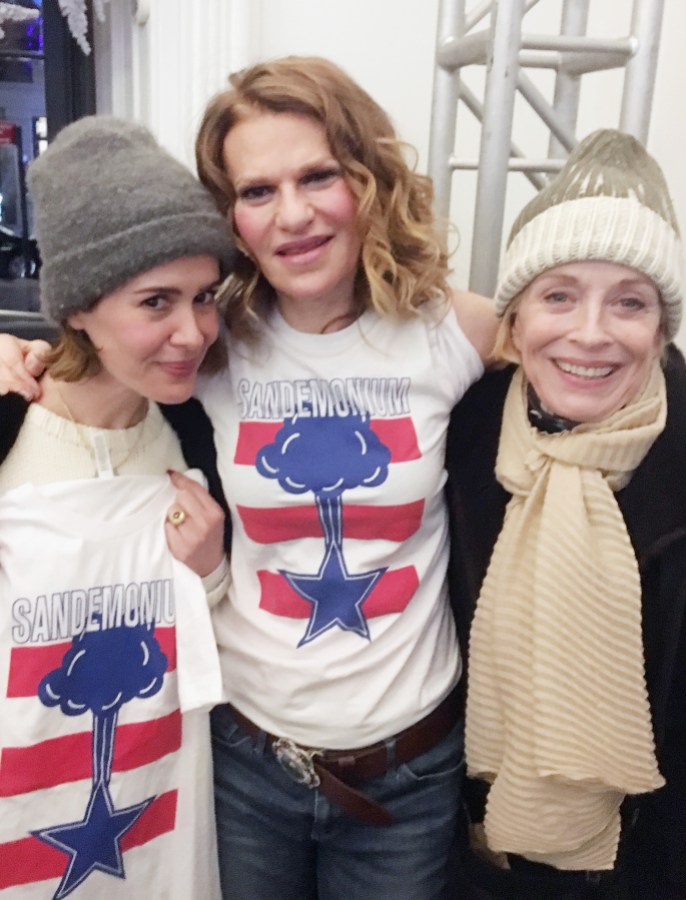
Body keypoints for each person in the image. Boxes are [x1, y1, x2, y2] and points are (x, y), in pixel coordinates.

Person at [1, 57, 498, 899]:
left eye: (317, 176)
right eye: (257, 190)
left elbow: (580, 358)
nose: (294, 214)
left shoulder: (456, 329)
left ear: (367, 179)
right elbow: (113, 335)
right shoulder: (215, 346)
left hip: (408, 767)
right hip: (245, 762)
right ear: (228, 214)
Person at [445, 129, 686, 899]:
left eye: (628, 302)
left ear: (659, 330)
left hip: (639, 864)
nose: (590, 333)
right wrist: (77, 372)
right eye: (558, 295)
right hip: (466, 852)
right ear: (514, 322)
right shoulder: (460, 430)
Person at [0, 115, 236, 898]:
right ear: (75, 307)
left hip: (161, 833)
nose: (193, 331)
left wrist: (207, 574)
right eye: (155, 301)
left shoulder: (198, 433)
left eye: (204, 297)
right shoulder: (8, 428)